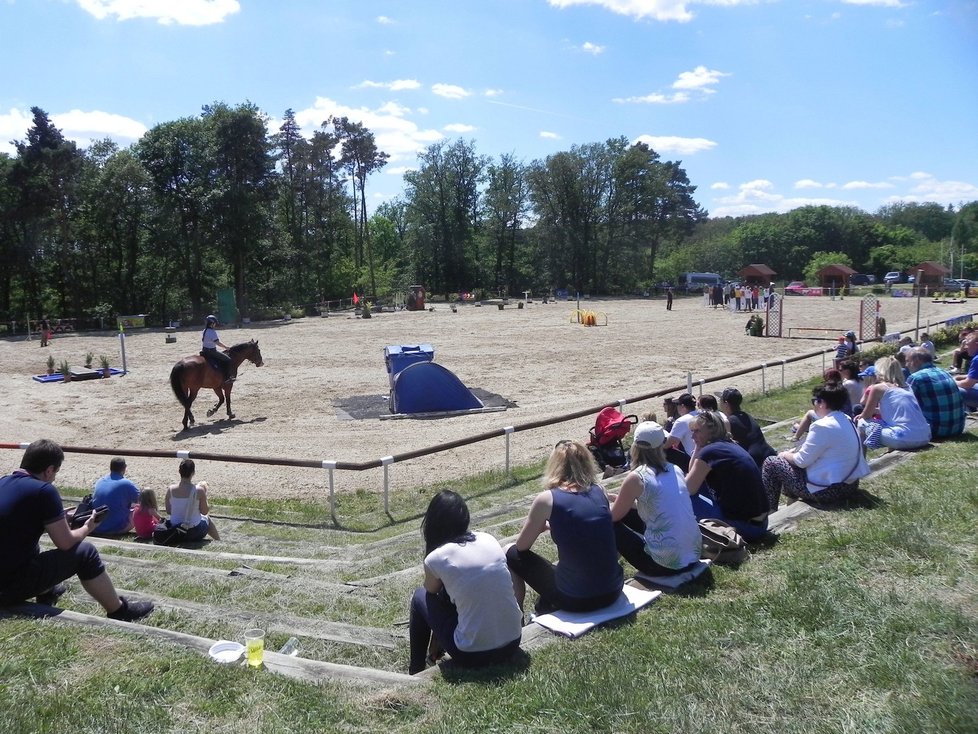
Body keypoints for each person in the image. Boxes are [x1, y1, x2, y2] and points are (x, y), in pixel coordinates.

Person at [0, 439, 153, 621]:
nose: (54, 477)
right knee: (85, 552)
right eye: (55, 472)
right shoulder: (44, 491)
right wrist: (88, 526)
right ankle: (119, 610)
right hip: (7, 589)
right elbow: (65, 543)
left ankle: (47, 591)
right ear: (49, 470)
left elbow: (16, 526)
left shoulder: (3, 482)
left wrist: (54, 520)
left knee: (30, 547)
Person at [408, 490, 522, 675]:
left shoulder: (436, 558)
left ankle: (416, 669)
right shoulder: (488, 538)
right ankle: (432, 653)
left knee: (420, 596)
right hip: (513, 640)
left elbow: (431, 591)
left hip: (472, 654)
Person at [506, 440, 623, 613]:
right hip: (613, 590)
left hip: (577, 599)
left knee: (510, 551)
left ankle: (518, 614)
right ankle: (542, 607)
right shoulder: (600, 491)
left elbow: (522, 547)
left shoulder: (547, 499)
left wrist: (538, 530)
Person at [607, 422, 701, 576]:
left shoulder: (637, 477)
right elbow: (657, 503)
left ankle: (601, 571)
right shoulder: (675, 469)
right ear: (662, 444)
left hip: (664, 566)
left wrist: (600, 505)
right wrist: (621, 500)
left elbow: (612, 517)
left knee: (608, 524)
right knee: (627, 512)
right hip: (693, 555)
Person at [762, 383, 871, 507]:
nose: (813, 405)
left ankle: (769, 511)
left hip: (828, 490)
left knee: (772, 462)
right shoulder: (846, 419)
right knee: (789, 463)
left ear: (822, 403)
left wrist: (784, 454)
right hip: (850, 484)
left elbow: (801, 461)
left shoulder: (821, 425)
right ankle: (791, 503)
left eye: (814, 401)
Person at [684, 411, 771, 539]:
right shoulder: (730, 445)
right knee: (697, 484)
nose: (692, 436)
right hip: (760, 523)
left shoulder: (710, 452)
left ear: (712, 431)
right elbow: (693, 472)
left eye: (697, 431)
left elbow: (687, 490)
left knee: (685, 498)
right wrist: (698, 446)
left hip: (746, 527)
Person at [855, 356, 932, 450]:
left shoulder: (878, 388)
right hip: (925, 435)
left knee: (861, 423)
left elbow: (866, 416)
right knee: (891, 423)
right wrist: (876, 411)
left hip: (904, 438)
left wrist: (861, 415)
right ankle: (890, 450)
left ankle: (861, 461)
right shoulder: (907, 386)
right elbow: (893, 410)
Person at [906, 347, 966, 439]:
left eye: (908, 361)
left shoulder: (916, 377)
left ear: (917, 360)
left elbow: (905, 404)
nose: (906, 365)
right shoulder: (944, 372)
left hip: (936, 430)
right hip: (957, 428)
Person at [719, 387, 776, 470]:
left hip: (756, 461)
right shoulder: (746, 416)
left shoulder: (730, 422)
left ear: (726, 404)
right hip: (769, 454)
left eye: (720, 400)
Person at [165, 459, 220, 541]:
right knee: (207, 519)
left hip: (175, 529)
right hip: (193, 531)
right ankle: (218, 540)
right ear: (193, 472)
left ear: (179, 471)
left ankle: (218, 540)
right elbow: (204, 512)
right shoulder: (199, 490)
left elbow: (169, 511)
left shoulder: (171, 489)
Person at [91, 457, 139, 535]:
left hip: (97, 526)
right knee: (139, 508)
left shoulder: (100, 481)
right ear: (124, 468)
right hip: (116, 528)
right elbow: (143, 500)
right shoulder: (126, 483)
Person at [663, 393, 699, 471]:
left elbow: (668, 444)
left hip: (694, 459)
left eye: (677, 405)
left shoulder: (682, 421)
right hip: (707, 454)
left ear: (682, 406)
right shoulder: (703, 414)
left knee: (665, 451)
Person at [201, 314, 234, 385]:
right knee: (228, 360)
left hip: (204, 351)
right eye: (214, 323)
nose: (215, 325)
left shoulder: (204, 330)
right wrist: (226, 347)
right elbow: (217, 342)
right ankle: (228, 378)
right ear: (212, 323)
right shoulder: (212, 332)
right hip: (211, 352)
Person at [954, 333, 978, 409]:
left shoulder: (976, 360)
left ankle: (961, 414)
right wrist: (959, 377)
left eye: (968, 345)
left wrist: (952, 381)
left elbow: (967, 384)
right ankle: (970, 409)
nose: (965, 348)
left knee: (952, 389)